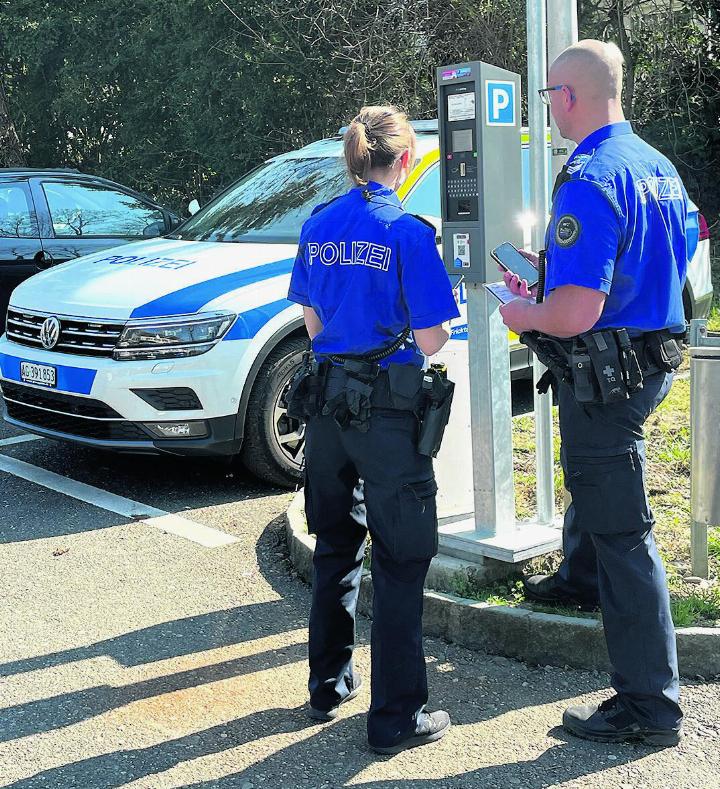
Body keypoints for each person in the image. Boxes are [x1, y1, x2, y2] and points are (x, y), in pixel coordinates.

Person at [499, 40, 687, 746]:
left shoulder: (587, 175)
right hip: (648, 360)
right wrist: (550, 280)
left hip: (610, 375)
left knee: (623, 530)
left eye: (548, 97)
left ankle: (650, 705)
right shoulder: (656, 164)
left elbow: (576, 310)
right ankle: (580, 579)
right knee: (598, 482)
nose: (548, 109)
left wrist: (524, 313)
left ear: (568, 97)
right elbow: (652, 258)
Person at [287, 105, 460, 754]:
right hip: (389, 415)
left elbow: (311, 318)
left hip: (329, 408)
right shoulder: (408, 232)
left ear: (354, 158)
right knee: (400, 558)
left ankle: (327, 684)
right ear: (404, 160)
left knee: (335, 543)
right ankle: (396, 717)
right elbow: (433, 338)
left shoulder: (318, 224)